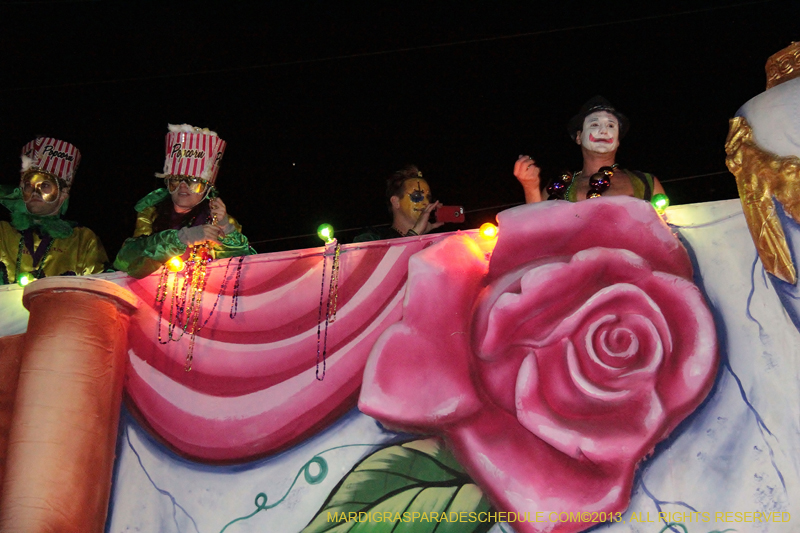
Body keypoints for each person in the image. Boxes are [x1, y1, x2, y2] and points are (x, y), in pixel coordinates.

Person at [114, 124, 253, 278]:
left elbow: (245, 270)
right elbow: (126, 261)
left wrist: (226, 230)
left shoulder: (217, 219)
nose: (183, 186)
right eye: (176, 179)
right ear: (167, 183)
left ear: (207, 187)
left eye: (193, 180)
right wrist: (181, 238)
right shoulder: (151, 214)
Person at [514, 96, 665, 203]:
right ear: (578, 137)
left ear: (618, 140)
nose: (604, 131)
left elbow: (667, 232)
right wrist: (530, 186)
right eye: (594, 124)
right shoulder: (559, 186)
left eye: (611, 126)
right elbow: (539, 231)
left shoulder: (646, 182)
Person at [0, 137, 109, 285]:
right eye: (28, 185)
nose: (35, 191)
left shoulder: (82, 240)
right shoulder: (2, 232)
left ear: (63, 194)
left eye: (45, 185)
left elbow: (98, 290)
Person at [353, 165, 443, 242]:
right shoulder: (372, 238)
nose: (426, 202)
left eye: (428, 197)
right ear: (396, 202)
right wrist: (415, 233)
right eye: (417, 195)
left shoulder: (434, 243)